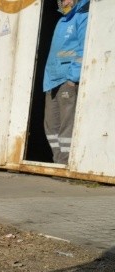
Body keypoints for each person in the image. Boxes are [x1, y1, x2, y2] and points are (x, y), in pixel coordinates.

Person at [43, 0, 89, 165]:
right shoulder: (61, 21)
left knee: (66, 125)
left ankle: (65, 163)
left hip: (67, 81)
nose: (65, 2)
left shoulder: (82, 16)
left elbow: (84, 49)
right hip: (52, 81)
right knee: (50, 125)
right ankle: (57, 160)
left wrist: (72, 78)